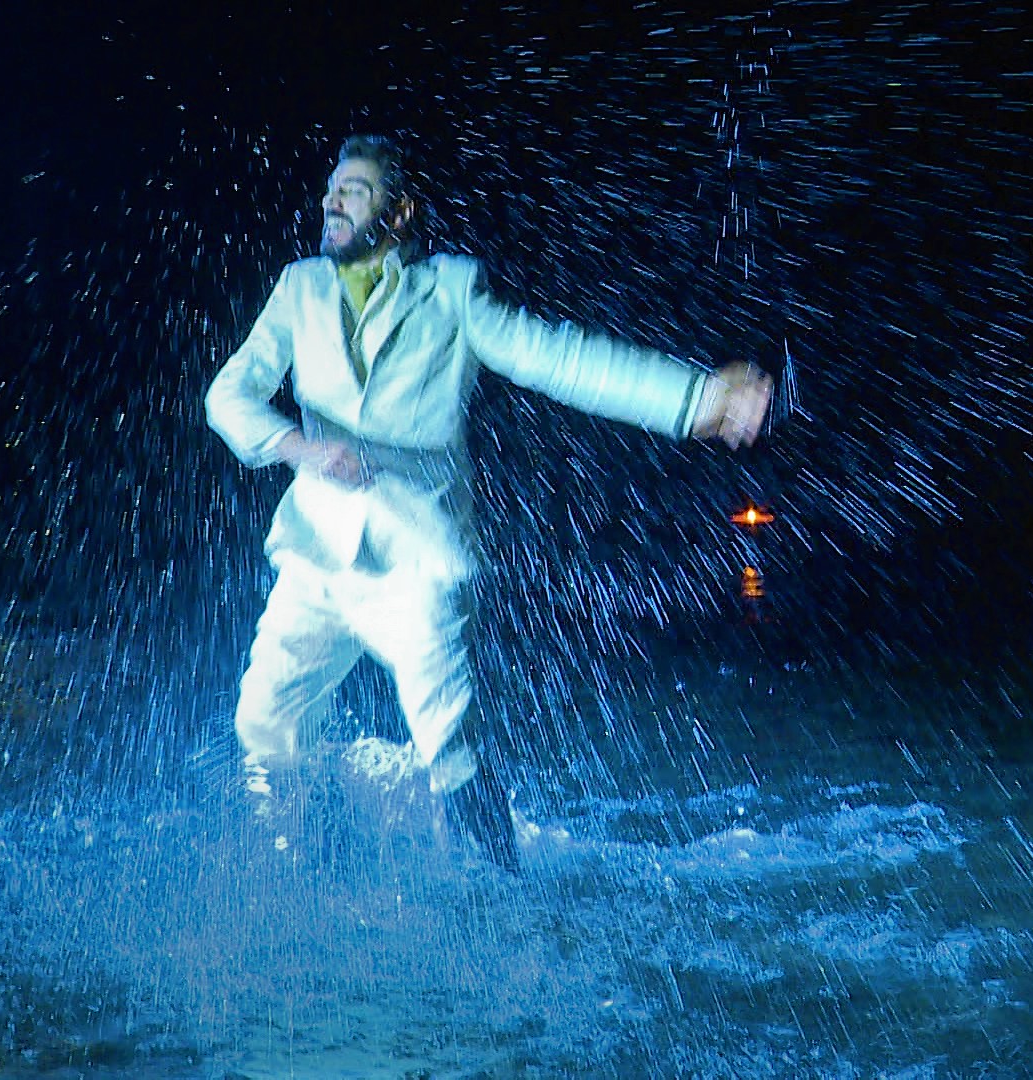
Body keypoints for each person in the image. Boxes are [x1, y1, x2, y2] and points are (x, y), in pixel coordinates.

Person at [206, 135, 772, 873]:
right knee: (264, 722)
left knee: (448, 745)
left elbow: (558, 358)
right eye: (330, 190)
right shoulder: (299, 290)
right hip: (315, 555)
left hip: (414, 564)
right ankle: (299, 872)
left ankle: (503, 893)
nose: (331, 201)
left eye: (354, 189)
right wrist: (301, 449)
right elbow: (228, 394)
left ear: (399, 210)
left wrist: (697, 399)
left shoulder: (450, 293)